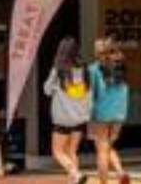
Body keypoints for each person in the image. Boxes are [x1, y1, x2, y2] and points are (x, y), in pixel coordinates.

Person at [44, 37, 92, 184]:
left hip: (63, 119)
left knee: (58, 151)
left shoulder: (58, 70)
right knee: (72, 151)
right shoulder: (85, 69)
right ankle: (74, 180)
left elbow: (47, 90)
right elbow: (89, 92)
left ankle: (76, 174)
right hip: (80, 117)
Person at [89, 38, 130, 184]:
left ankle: (104, 182)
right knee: (108, 146)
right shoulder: (120, 66)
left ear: (99, 52)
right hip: (119, 113)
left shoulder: (94, 69)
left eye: (96, 48)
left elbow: (91, 94)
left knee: (101, 150)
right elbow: (124, 90)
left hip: (101, 114)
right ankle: (120, 172)